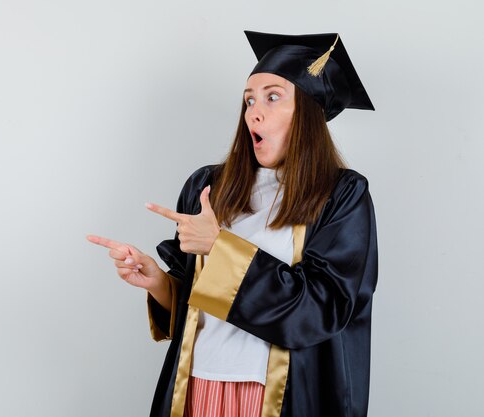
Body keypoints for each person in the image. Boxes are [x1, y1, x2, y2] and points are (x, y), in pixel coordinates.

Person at [87, 30, 378, 417]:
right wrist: (157, 281)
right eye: (248, 100)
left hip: (279, 396)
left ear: (307, 112)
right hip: (197, 387)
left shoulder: (341, 194)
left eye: (273, 97)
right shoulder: (209, 186)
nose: (253, 112)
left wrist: (219, 247)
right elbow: (197, 305)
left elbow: (322, 309)